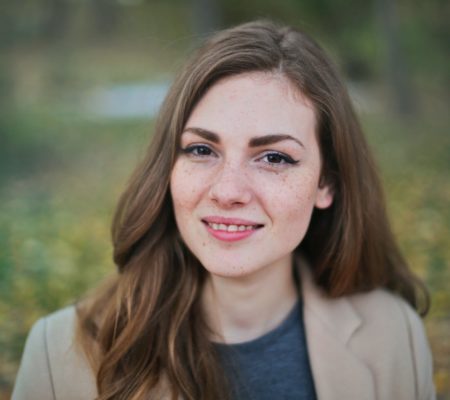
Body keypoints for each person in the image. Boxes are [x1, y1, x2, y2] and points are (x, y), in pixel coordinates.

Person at [12, 20, 435, 400]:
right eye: (201, 149)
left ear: (326, 182)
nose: (228, 191)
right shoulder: (59, 354)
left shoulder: (393, 335)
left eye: (274, 158)